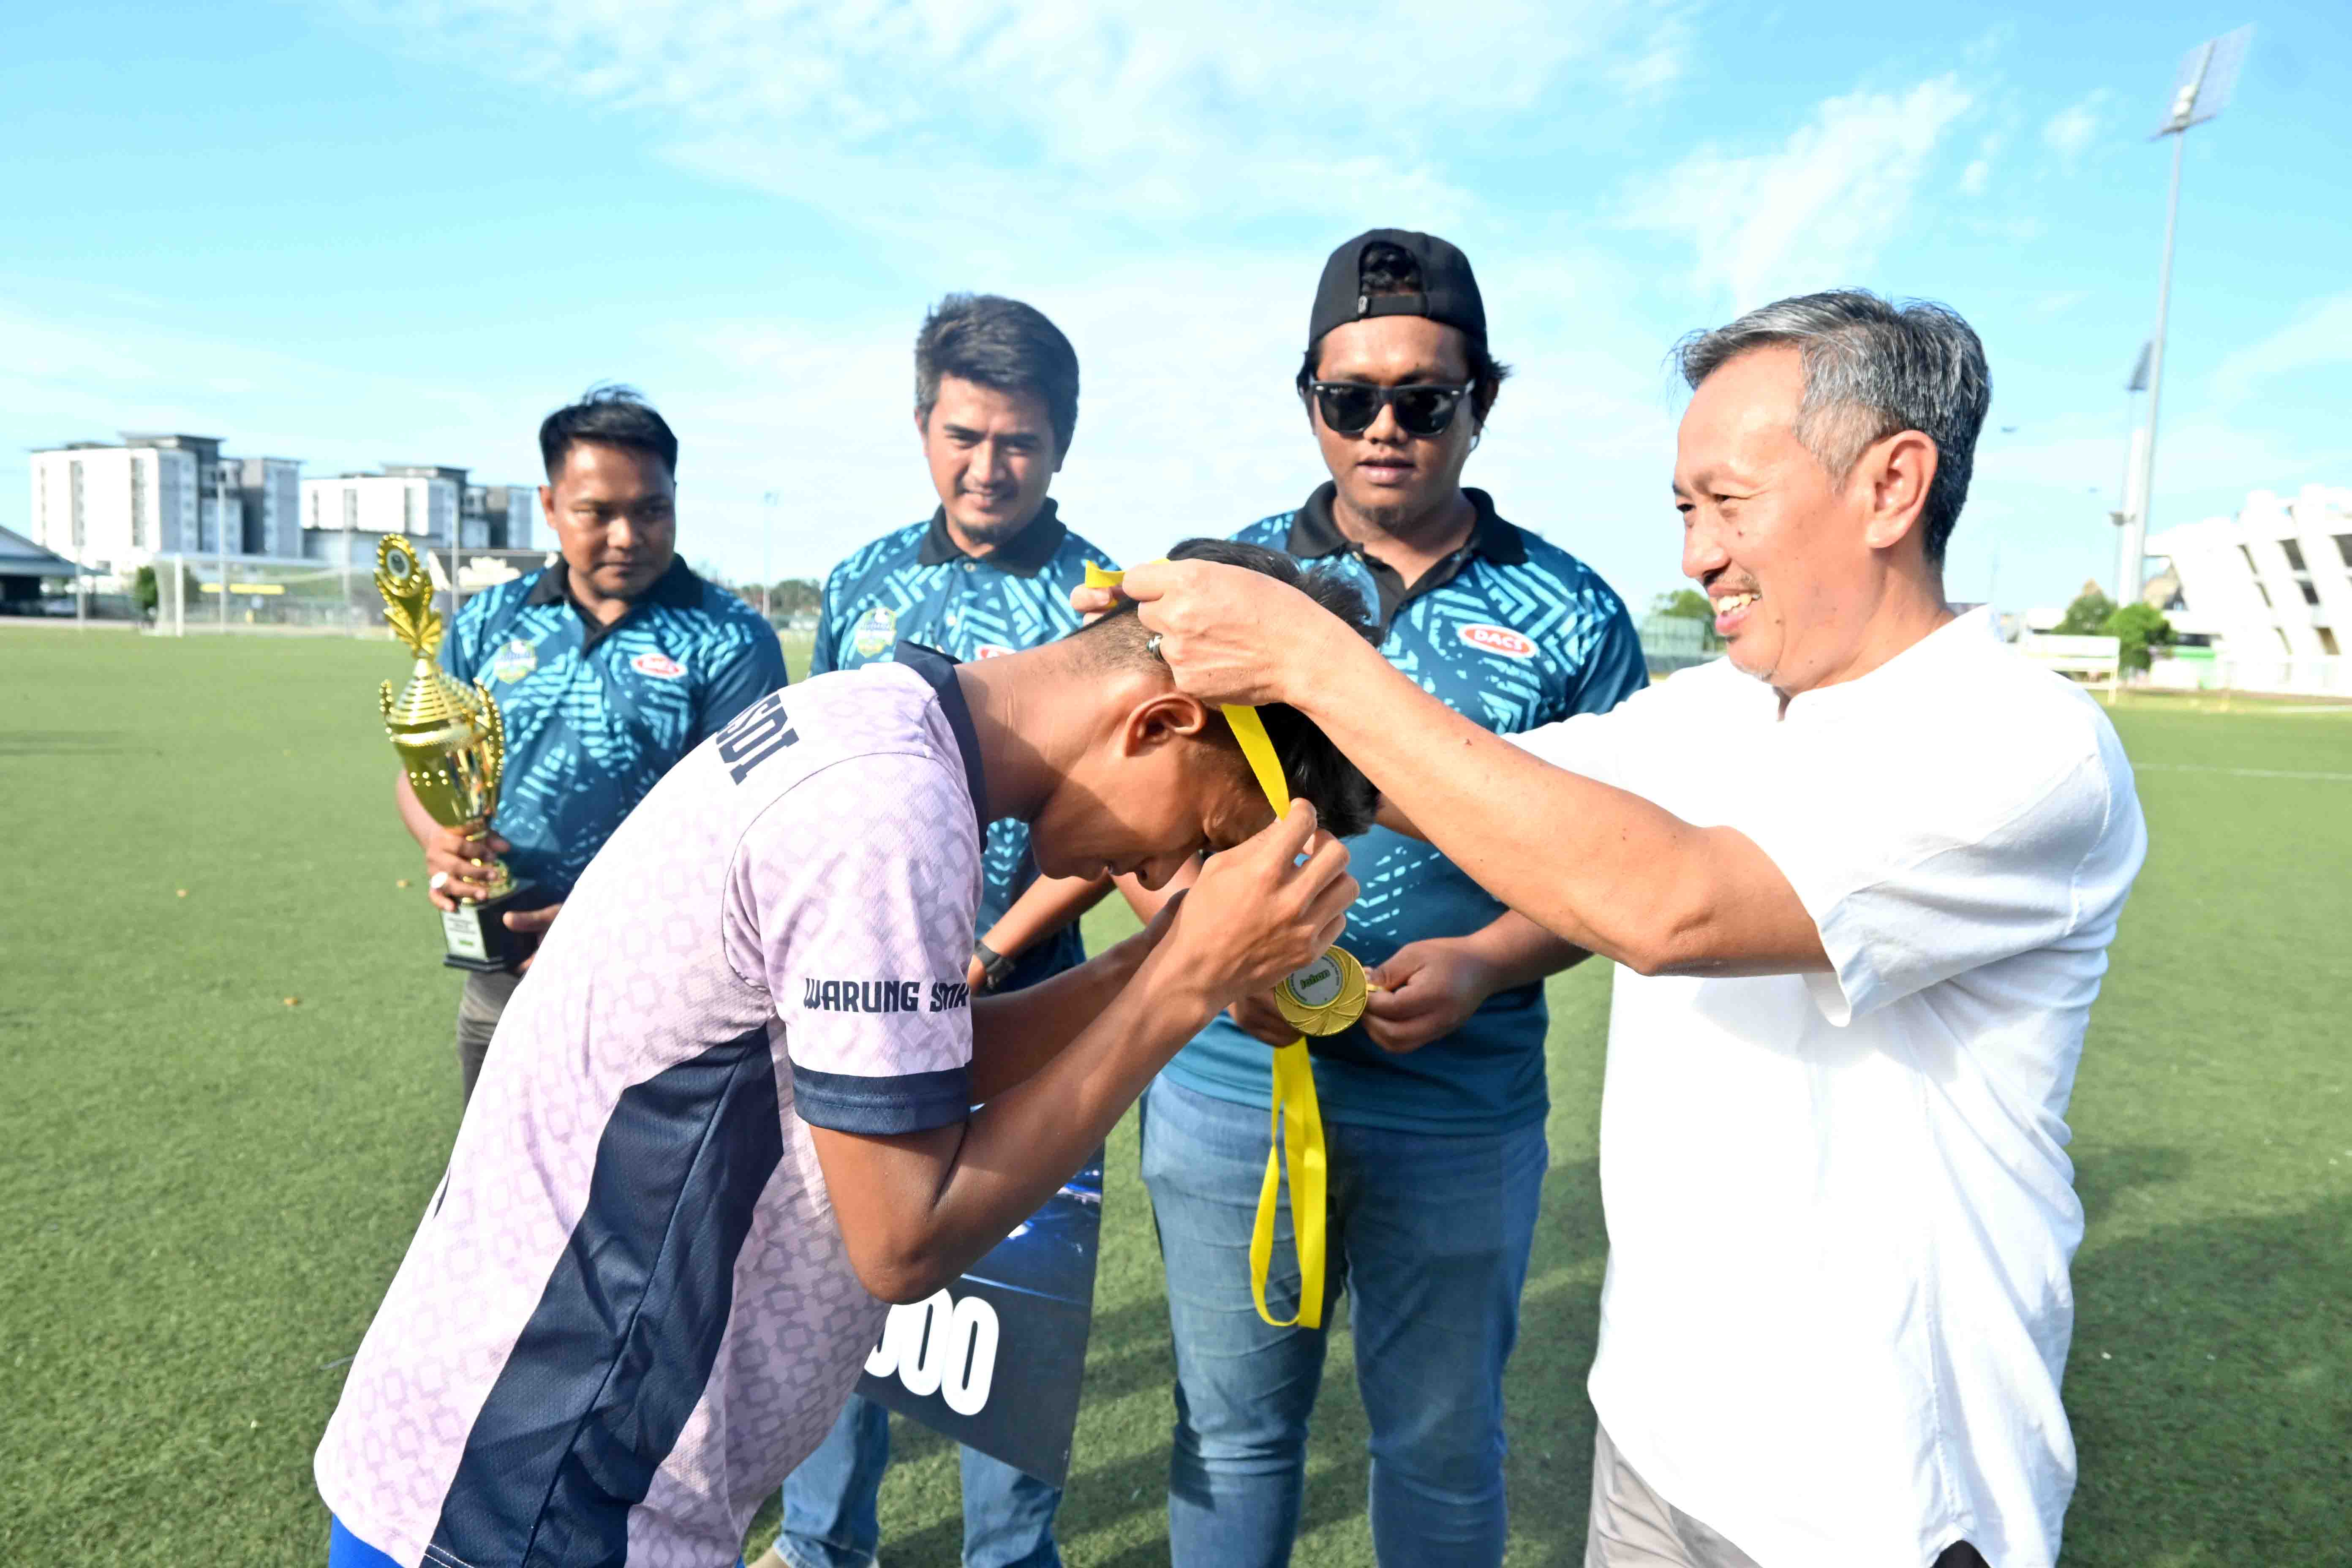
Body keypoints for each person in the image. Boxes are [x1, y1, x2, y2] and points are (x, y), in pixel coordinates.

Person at [1079, 292, 2148, 1568]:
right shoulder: (1719, 711)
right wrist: (1183, 743)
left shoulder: (2018, 742)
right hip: (1655, 1449)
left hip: (1872, 1502)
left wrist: (1311, 662)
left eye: (1727, 503)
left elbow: (1671, 906)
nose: (1697, 558)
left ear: (1892, 485)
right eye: (1685, 512)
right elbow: (1465, 785)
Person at [315, 539, 1377, 1568]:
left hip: (537, 1435)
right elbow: (902, 1240)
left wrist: (1165, 958)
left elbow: (917, 1066)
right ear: (1163, 720)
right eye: (1201, 832)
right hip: (539, 1478)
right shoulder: (890, 809)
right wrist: (1185, 984)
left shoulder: (881, 722)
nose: (1170, 865)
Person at [1091, 229, 1644, 1568]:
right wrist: (1206, 944)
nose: (1384, 428)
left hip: (1462, 1108)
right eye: (1351, 400)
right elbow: (1117, 795)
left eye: (1424, 399)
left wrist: (1491, 964)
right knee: (1228, 1438)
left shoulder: (1575, 614)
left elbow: (1621, 863)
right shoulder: (1219, 588)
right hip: (1233, 1086)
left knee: (1444, 1453)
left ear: (1482, 405)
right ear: (1311, 404)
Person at [763, 294, 1115, 1568]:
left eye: (1019, 440)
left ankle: (1011, 1560)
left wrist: (995, 945)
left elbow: (1116, 825)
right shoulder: (859, 584)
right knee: (836, 1321)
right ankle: (820, 1551)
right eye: (964, 434)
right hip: (857, 1026)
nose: (989, 466)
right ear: (923, 427)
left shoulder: (1104, 605)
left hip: (1027, 1018)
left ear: (1062, 444)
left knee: (1003, 1356)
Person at [399, 385, 787, 1101]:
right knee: (495, 1196)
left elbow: (748, 829)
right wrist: (439, 838)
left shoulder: (731, 639)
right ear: (550, 507)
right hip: (501, 976)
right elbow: (422, 774)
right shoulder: (488, 622)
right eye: (597, 512)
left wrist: (604, 928)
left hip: (661, 989)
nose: (627, 535)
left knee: (640, 1204)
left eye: (651, 510)